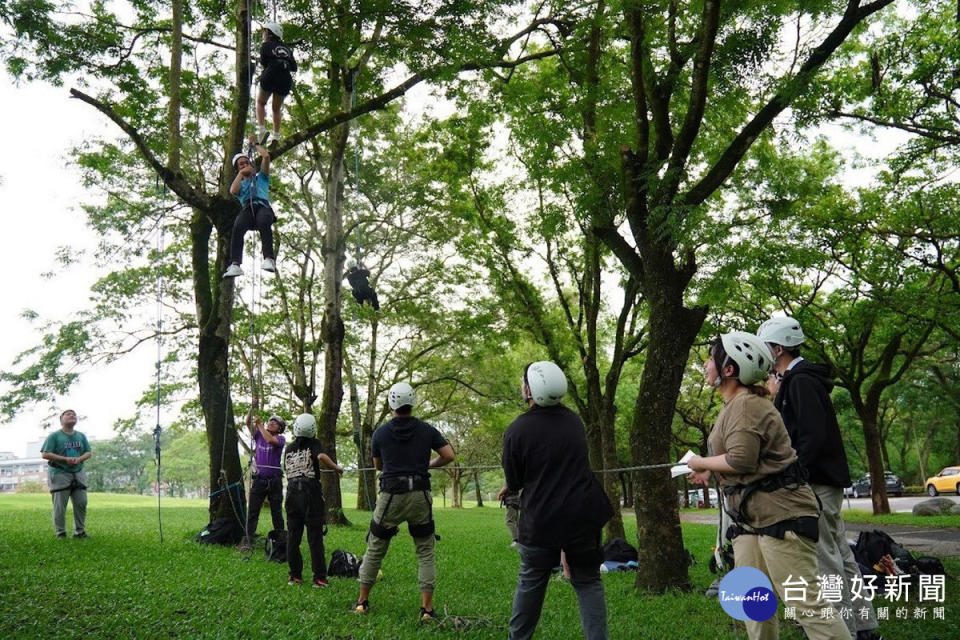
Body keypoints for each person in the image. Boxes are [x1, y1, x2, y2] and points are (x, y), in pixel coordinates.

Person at [687, 331, 849, 640]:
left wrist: (701, 462)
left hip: (780, 515)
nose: (706, 365)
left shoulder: (746, 405)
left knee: (806, 604)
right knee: (752, 601)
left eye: (710, 359)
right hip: (749, 519)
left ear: (729, 369)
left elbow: (741, 461)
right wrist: (709, 471)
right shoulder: (734, 405)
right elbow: (742, 459)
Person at [758, 317, 881, 640]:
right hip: (825, 479)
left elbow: (810, 438)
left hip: (816, 482)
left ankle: (846, 630)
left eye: (766, 348)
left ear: (779, 348)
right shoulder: (796, 381)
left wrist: (794, 476)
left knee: (826, 559)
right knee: (841, 554)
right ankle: (865, 627)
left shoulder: (800, 382)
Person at [501, 361, 612, 640]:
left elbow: (515, 482)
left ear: (530, 389)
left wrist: (511, 485)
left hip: (541, 520)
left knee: (531, 580)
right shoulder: (574, 421)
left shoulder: (516, 431)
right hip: (583, 516)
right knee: (588, 582)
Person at [353, 382, 455, 621]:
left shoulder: (380, 433)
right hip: (420, 494)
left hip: (391, 495)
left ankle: (362, 603)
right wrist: (427, 466)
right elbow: (449, 455)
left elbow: (378, 466)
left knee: (376, 547)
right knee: (425, 551)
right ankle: (427, 610)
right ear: (413, 402)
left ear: (391, 404)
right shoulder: (427, 430)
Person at [283, 413, 343, 587]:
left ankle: (294, 576)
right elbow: (322, 457)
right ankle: (319, 578)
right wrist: (336, 468)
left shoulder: (289, 448)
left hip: (292, 492)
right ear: (313, 430)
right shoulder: (314, 444)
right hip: (310, 493)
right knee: (314, 537)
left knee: (293, 537)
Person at [224, 134, 277, 278]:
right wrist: (241, 173)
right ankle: (235, 264)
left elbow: (266, 157)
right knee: (238, 226)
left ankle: (269, 258)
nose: (244, 165)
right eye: (241, 164)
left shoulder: (262, 177)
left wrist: (255, 145)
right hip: (247, 209)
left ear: (252, 165)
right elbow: (233, 191)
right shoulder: (240, 184)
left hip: (262, 207)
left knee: (264, 221)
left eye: (246, 163)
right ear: (237, 169)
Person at [40, 409, 93, 539]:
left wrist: (79, 459)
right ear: (61, 419)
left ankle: (79, 532)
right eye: (68, 414)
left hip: (78, 473)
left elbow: (88, 452)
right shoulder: (54, 436)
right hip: (59, 473)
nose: (72, 415)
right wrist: (65, 460)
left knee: (81, 502)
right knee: (59, 506)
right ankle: (60, 533)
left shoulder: (81, 436)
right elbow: (45, 454)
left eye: (74, 414)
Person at [241, 412, 286, 551]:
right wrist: (253, 407)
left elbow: (270, 441)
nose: (271, 423)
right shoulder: (259, 435)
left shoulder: (280, 438)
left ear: (280, 428)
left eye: (275, 423)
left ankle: (281, 542)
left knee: (276, 512)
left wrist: (260, 424)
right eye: (270, 421)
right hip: (259, 480)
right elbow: (248, 422)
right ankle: (247, 540)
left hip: (275, 481)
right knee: (253, 512)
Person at [256, 22, 297, 144]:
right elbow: (294, 67)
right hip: (285, 78)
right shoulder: (288, 49)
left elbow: (263, 62)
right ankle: (276, 136)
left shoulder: (266, 45)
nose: (263, 34)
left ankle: (262, 130)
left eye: (264, 32)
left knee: (261, 102)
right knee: (276, 109)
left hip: (271, 74)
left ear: (269, 33)